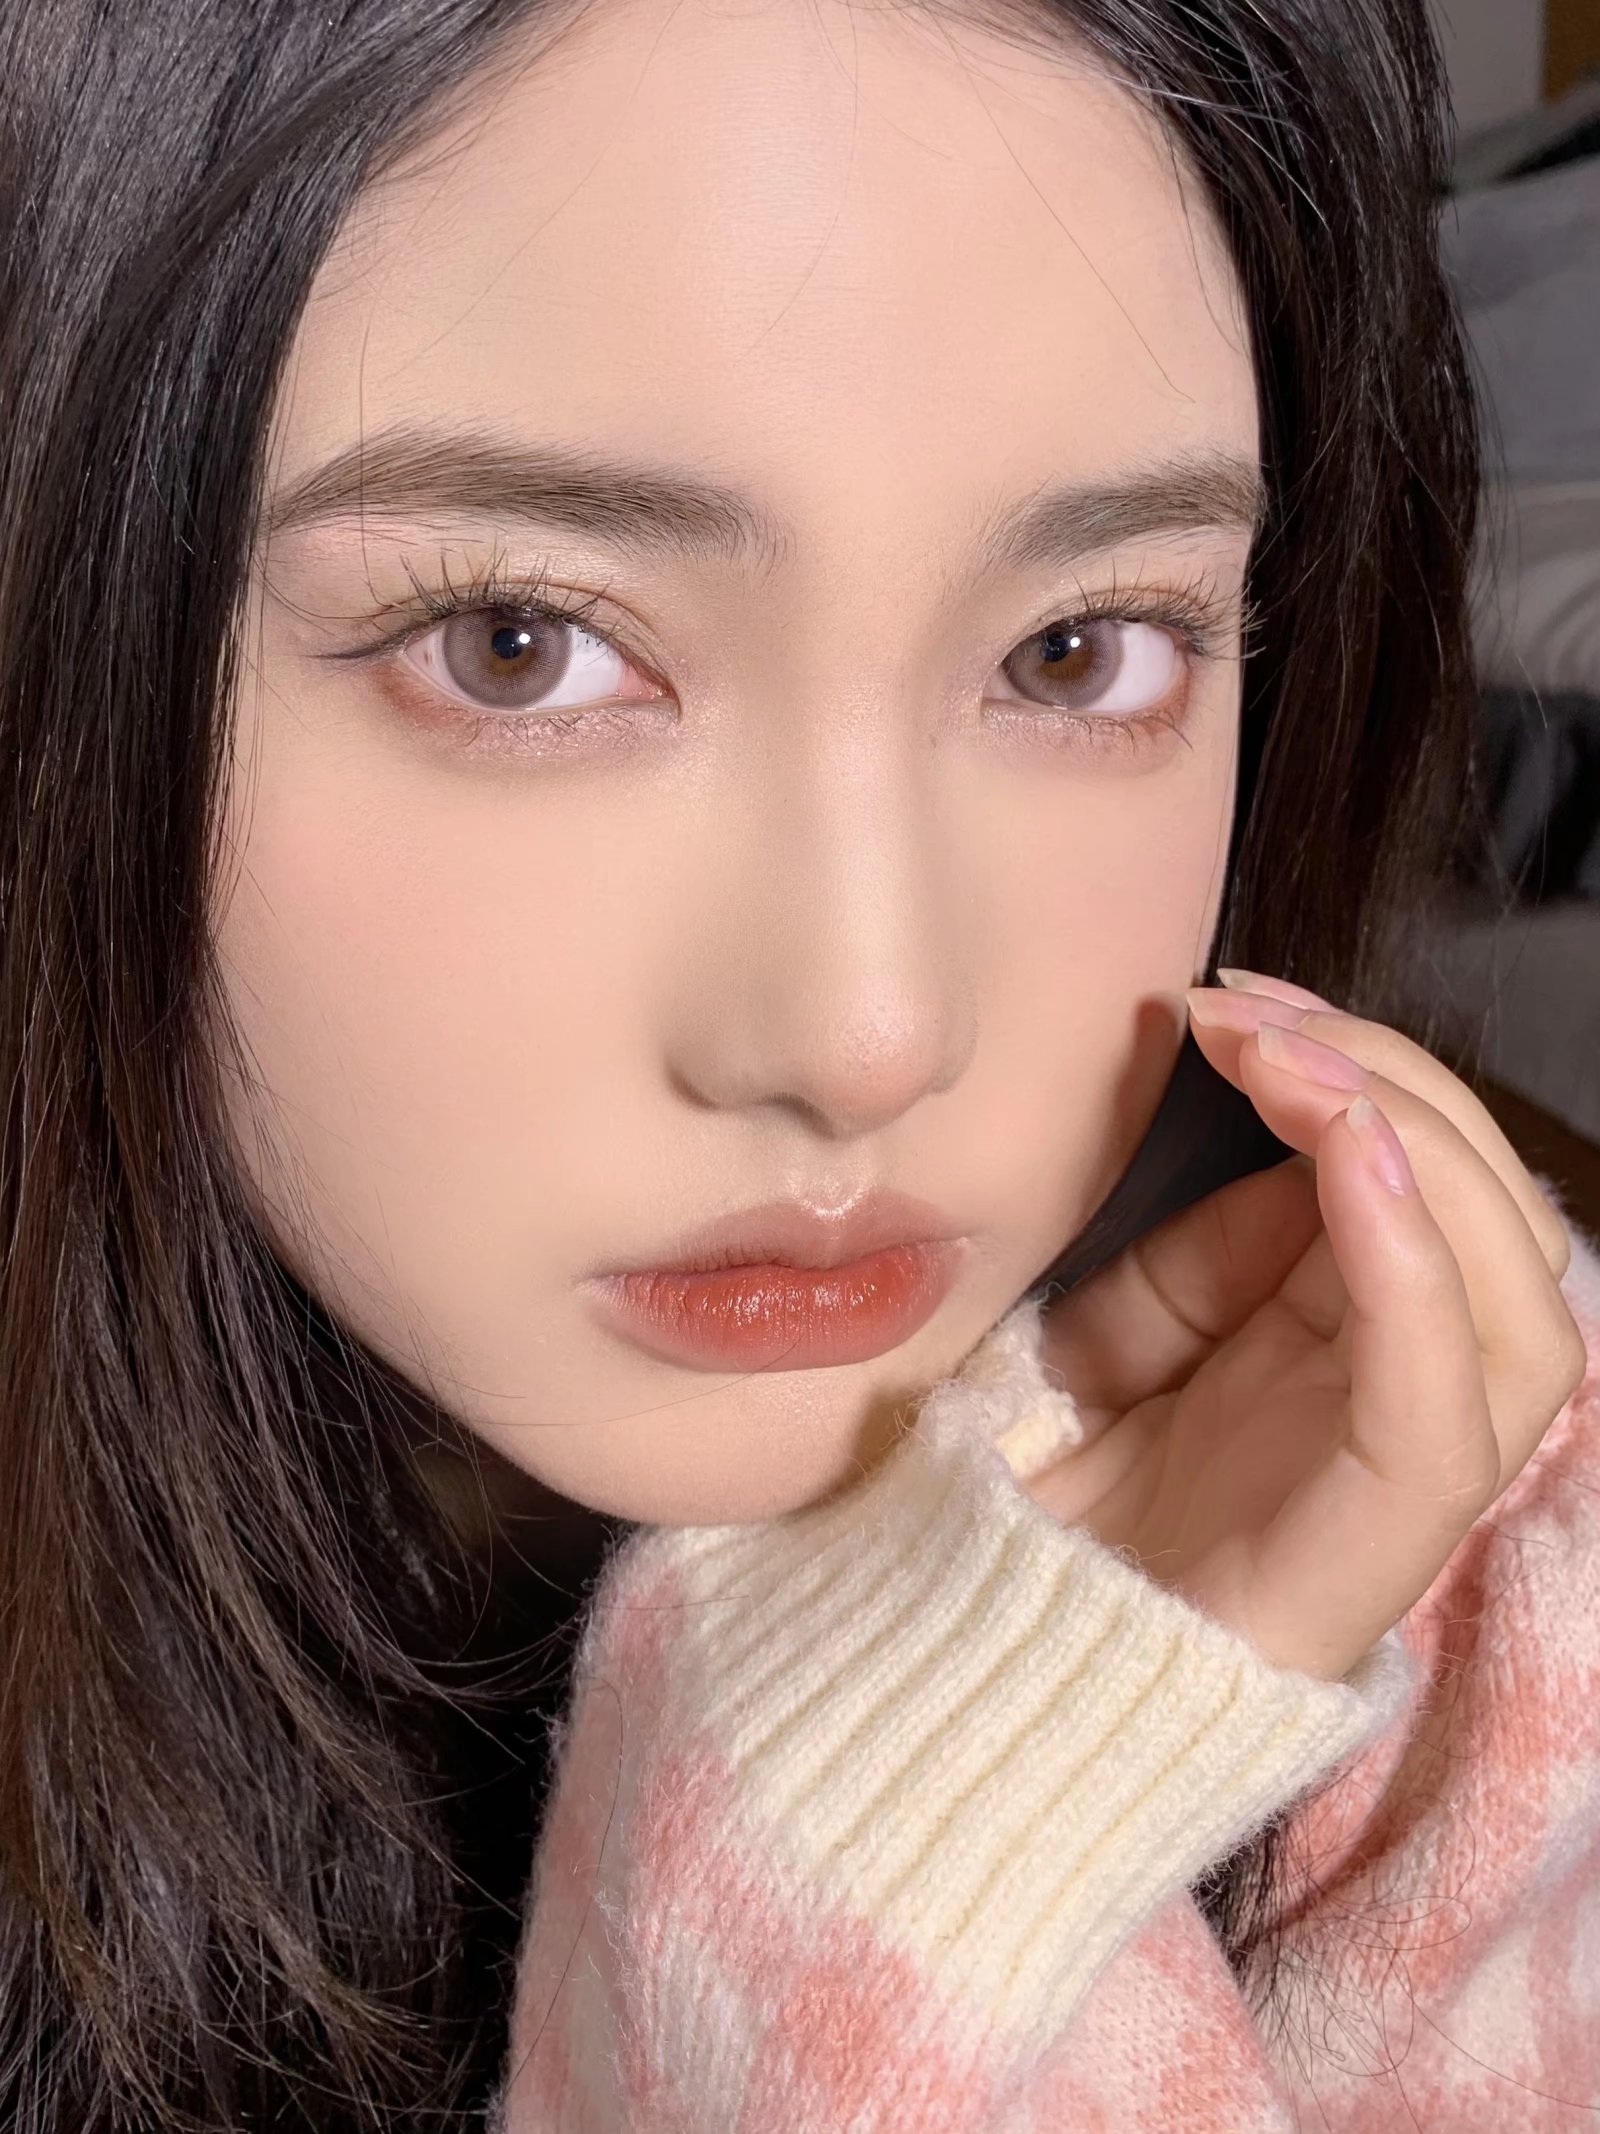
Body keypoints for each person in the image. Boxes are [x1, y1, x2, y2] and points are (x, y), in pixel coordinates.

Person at [0, 0, 1594, 2128]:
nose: (868, 1034)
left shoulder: (1507, 1630)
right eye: (516, 644)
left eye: (1076, 650)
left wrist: (957, 1818)